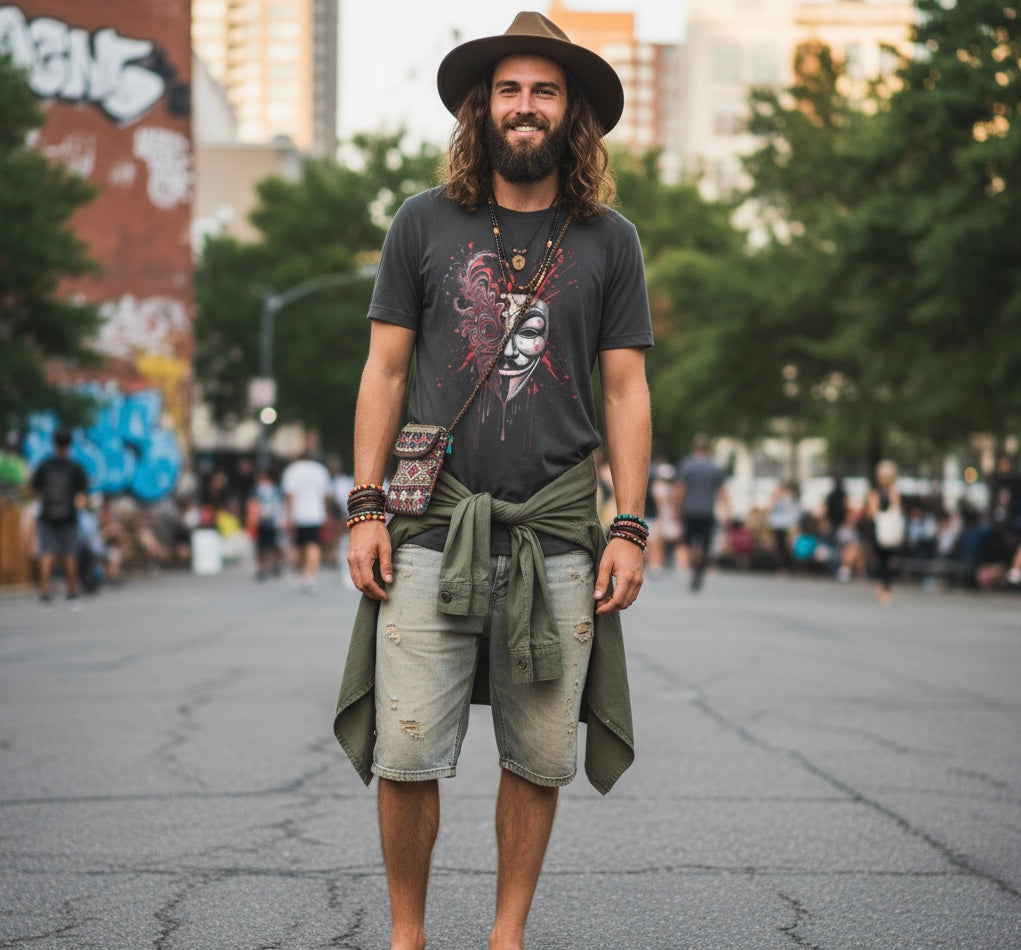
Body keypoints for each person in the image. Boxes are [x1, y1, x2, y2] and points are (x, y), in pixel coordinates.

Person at [333, 13, 652, 949]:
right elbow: (384, 371)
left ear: (572, 114)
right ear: (482, 109)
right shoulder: (423, 222)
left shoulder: (610, 239)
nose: (525, 106)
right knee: (407, 744)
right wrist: (364, 508)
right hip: (429, 522)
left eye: (544, 91)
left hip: (555, 529)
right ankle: (407, 935)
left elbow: (626, 388)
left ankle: (505, 936)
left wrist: (627, 525)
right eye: (509, 90)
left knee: (541, 753)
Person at [30, 426, 89, 609]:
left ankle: (45, 595)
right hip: (68, 517)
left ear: (54, 443)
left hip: (47, 516)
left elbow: (35, 491)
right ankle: (71, 594)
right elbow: (81, 499)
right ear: (70, 444)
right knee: (70, 555)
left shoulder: (45, 466)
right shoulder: (75, 468)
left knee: (47, 554)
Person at [673, 434, 727, 591]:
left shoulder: (687, 465)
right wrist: (726, 510)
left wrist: (677, 508)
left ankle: (695, 564)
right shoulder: (714, 467)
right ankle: (700, 566)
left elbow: (680, 489)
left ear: (694, 447)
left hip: (689, 510)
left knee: (689, 542)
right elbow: (722, 491)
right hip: (707, 510)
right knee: (705, 542)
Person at [281, 449, 332, 592]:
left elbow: (289, 495)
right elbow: (326, 495)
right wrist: (327, 513)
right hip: (316, 514)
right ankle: (311, 577)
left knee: (298, 545)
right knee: (313, 545)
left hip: (298, 514)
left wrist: (288, 515)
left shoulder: (292, 470)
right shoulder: (320, 470)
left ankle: (299, 575)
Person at [867, 459, 902, 605]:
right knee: (883, 560)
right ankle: (883, 586)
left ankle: (883, 586)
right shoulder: (878, 493)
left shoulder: (890, 491)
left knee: (884, 560)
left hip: (885, 529)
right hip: (881, 530)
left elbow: (872, 512)